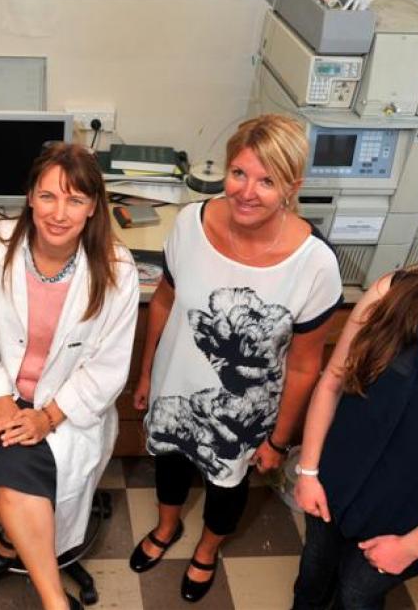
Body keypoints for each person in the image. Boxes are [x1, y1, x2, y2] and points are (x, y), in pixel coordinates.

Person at [130, 114, 343, 602]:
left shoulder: (315, 264)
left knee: (227, 486)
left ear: (293, 186)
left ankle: (206, 550)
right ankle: (166, 529)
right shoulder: (190, 222)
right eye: (239, 174)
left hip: (248, 411)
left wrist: (279, 439)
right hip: (174, 384)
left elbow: (307, 365)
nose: (247, 191)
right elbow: (163, 300)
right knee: (169, 464)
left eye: (267, 181)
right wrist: (146, 374)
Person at [292, 174, 418, 609]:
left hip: (410, 522)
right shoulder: (391, 293)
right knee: (311, 579)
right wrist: (308, 472)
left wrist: (412, 547)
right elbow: (332, 381)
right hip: (333, 489)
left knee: (356, 597)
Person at [0, 143, 139, 610]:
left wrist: (48, 417)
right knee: (14, 474)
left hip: (67, 410)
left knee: (8, 497)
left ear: (93, 207)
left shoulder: (116, 270)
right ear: (30, 197)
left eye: (75, 200)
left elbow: (108, 367)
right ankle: (56, 602)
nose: (60, 213)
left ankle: (14, 546)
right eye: (49, 196)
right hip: (0, 395)